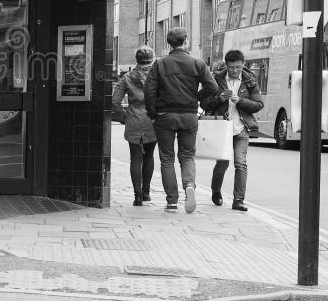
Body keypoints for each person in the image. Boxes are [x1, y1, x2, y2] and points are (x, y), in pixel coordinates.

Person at [144, 27, 218, 213]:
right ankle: (190, 186)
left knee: (167, 159)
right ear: (186, 40)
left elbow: (149, 91)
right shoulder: (197, 62)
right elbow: (213, 86)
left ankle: (171, 201)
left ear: (169, 43)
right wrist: (196, 96)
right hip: (189, 114)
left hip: (165, 115)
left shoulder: (159, 64)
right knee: (187, 156)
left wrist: (153, 113)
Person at [200, 50, 264, 212]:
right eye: (231, 68)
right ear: (226, 66)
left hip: (241, 128)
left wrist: (240, 101)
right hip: (222, 128)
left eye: (238, 67)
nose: (235, 71)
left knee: (240, 163)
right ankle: (216, 191)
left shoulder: (250, 80)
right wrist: (219, 98)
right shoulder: (216, 79)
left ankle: (238, 200)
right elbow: (204, 103)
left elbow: (258, 104)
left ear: (243, 64)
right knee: (222, 163)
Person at [112, 46, 158, 206]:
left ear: (136, 59)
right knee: (149, 156)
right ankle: (146, 192)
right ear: (152, 59)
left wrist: (122, 117)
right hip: (152, 121)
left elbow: (114, 101)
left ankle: (137, 195)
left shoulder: (127, 77)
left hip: (133, 119)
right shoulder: (157, 77)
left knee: (136, 158)